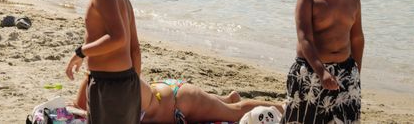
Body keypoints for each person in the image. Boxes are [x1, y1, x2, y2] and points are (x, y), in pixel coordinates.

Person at [284, 0, 363, 124]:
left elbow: (357, 38)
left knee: (345, 120)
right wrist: (322, 72)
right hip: (311, 70)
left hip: (345, 70)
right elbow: (305, 39)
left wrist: (356, 71)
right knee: (303, 119)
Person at [65, 0, 140, 124]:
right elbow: (134, 48)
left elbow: (118, 38)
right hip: (125, 82)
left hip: (110, 83)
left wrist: (81, 52)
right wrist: (134, 88)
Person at [73, 76, 281, 124]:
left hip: (181, 100)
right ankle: (226, 97)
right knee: (223, 104)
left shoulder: (130, 89)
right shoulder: (97, 83)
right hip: (167, 91)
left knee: (235, 112)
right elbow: (80, 104)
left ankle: (286, 106)